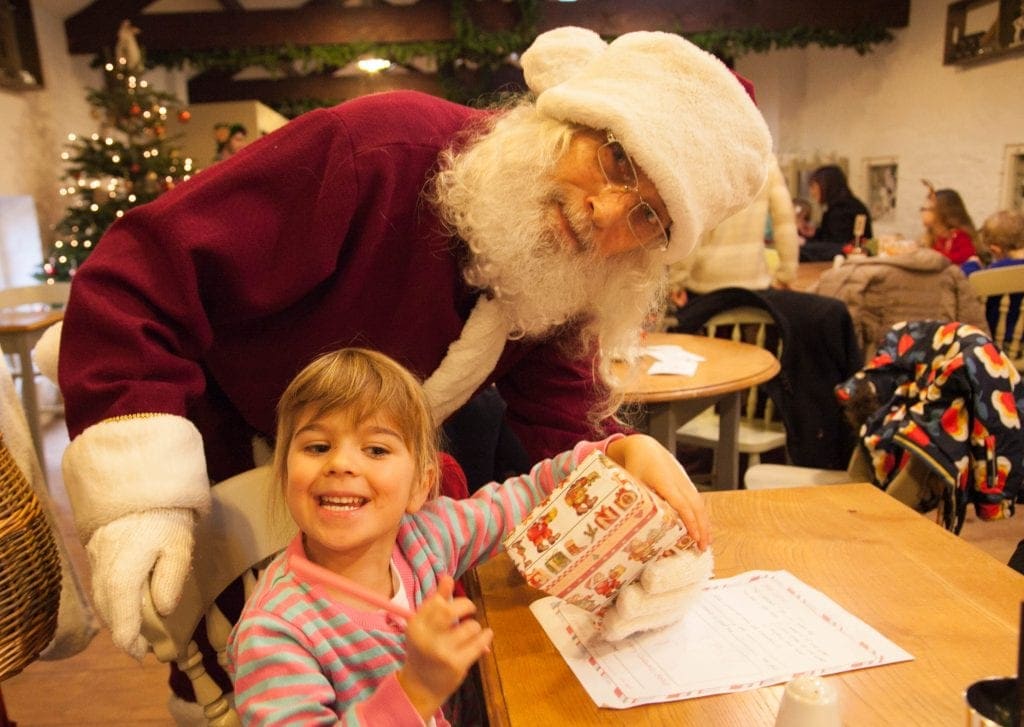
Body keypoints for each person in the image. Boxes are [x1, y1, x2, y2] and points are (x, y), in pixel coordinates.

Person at [39, 25, 770, 718]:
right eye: (615, 161)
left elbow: (560, 423)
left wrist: (628, 501)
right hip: (222, 432)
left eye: (647, 216)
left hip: (365, 513)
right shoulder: (375, 148)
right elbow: (141, 270)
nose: (605, 213)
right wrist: (141, 497)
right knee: (232, 666)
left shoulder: (572, 268)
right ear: (572, 118)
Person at [227, 347, 709, 724]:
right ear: (284, 470)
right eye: (316, 446)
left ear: (421, 485)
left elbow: (527, 496)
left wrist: (623, 450)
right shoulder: (274, 632)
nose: (341, 463)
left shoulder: (424, 538)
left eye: (375, 449)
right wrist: (416, 690)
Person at [666, 155, 799, 309]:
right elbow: (785, 223)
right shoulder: (766, 159)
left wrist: (676, 281)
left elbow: (693, 229)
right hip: (755, 283)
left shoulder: (704, 158)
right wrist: (786, 274)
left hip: (705, 286)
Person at [962, 209, 1024, 342]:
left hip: (996, 345)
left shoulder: (993, 274)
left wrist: (971, 265)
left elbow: (964, 283)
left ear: (995, 249)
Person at [798, 164, 872, 262]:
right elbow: (831, 237)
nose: (812, 192)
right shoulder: (846, 205)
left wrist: (804, 243)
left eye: (813, 187)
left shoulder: (843, 209)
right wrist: (814, 233)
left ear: (826, 186)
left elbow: (836, 247)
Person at [919, 184, 985, 267]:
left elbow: (966, 260)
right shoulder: (931, 237)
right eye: (922, 209)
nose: (922, 212)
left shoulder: (960, 237)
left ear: (941, 212)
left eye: (926, 209)